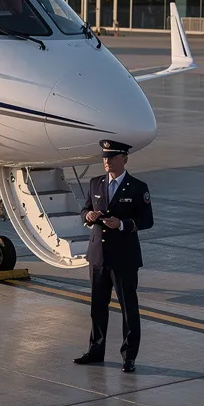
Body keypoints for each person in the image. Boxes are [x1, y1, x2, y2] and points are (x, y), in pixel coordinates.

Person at [73, 139, 153, 373]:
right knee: (97, 306)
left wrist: (122, 224)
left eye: (112, 157)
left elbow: (147, 221)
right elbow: (84, 209)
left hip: (123, 257)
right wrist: (88, 216)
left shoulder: (138, 187)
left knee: (128, 308)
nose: (106, 161)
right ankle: (95, 350)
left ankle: (129, 356)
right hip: (98, 255)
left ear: (124, 159)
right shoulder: (95, 183)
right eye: (104, 157)